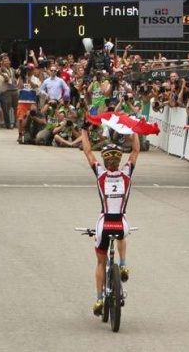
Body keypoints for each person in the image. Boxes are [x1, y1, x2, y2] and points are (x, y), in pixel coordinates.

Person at [80, 125, 140, 317]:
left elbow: (88, 151)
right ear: (119, 160)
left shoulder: (100, 174)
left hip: (104, 222)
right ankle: (123, 264)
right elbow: (136, 150)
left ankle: (99, 298)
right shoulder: (127, 173)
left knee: (100, 262)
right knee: (123, 232)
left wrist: (84, 131)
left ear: (105, 161)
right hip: (120, 222)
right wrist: (134, 129)